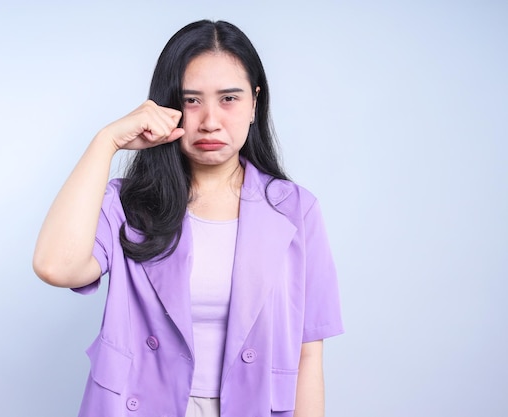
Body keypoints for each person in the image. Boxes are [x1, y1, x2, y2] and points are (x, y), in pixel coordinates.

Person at [33, 20, 343, 417]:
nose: (210, 120)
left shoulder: (297, 210)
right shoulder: (129, 203)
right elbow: (55, 266)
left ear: (254, 102)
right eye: (191, 100)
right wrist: (106, 142)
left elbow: (308, 354)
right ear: (167, 106)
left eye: (229, 98)